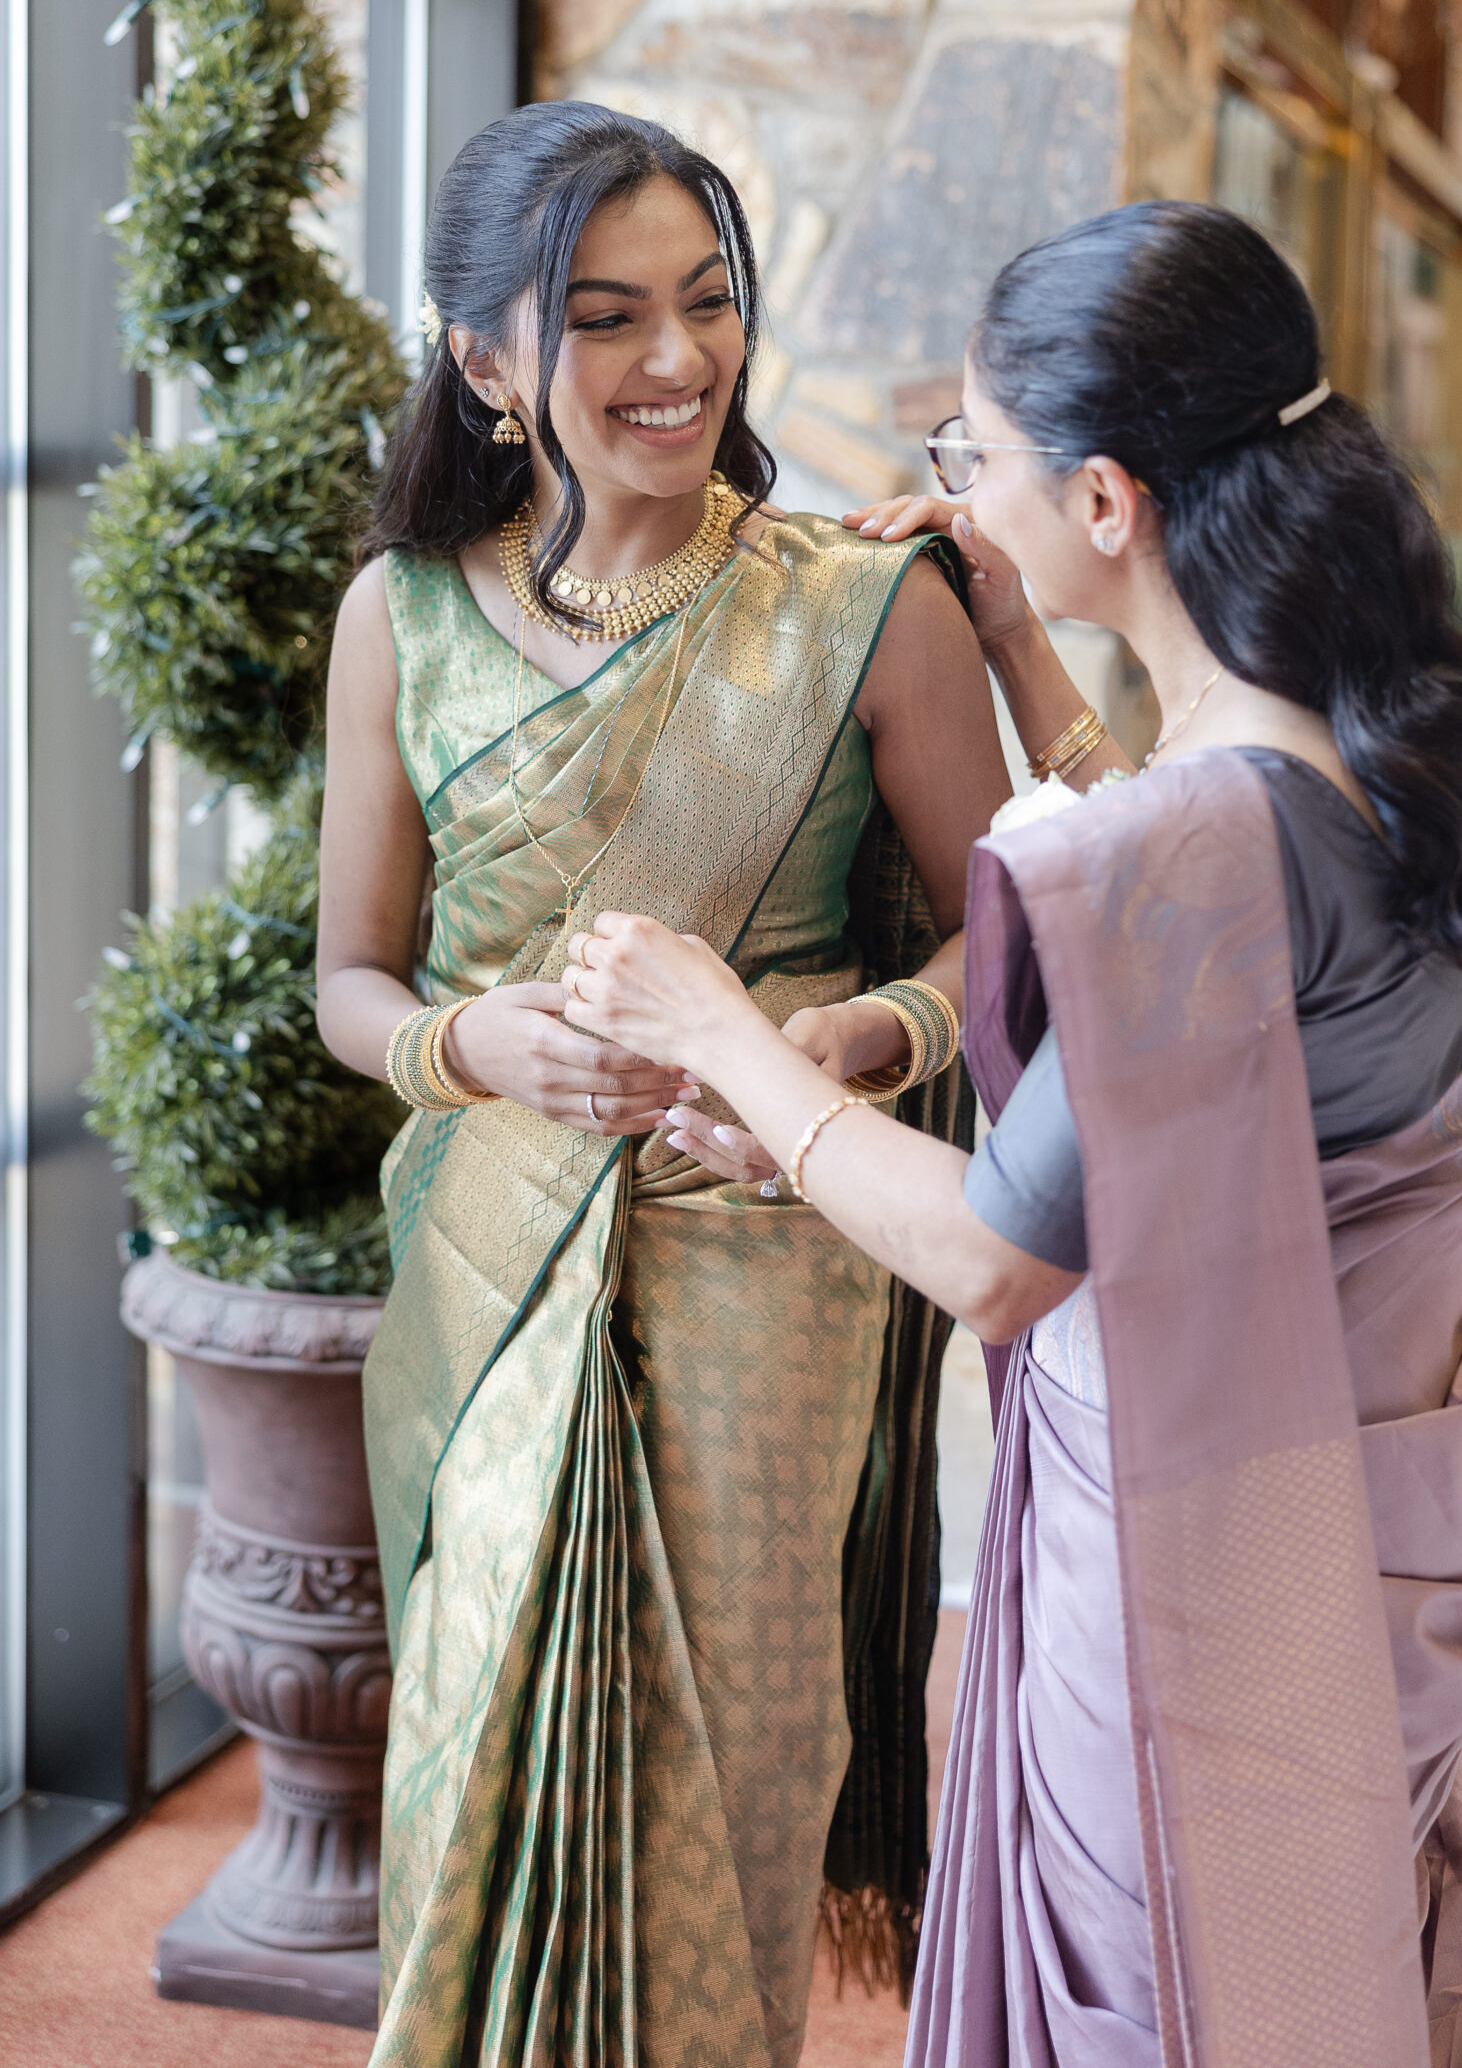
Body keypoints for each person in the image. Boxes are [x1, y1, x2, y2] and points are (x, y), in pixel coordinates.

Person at [568, 200, 1462, 2068]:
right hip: (1378, 1503)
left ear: (1107, 497)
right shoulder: (1376, 742)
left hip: (1217, 1562)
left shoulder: (1199, 846)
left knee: (1178, 1997)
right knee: (1295, 1961)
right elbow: (1215, 907)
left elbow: (997, 1259)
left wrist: (725, 1037)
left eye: (978, 452)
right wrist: (1026, 653)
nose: (962, 486)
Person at [315, 101, 1011, 2068]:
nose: (679, 358)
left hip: (761, 1261)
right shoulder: (403, 617)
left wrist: (863, 1040)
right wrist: (470, 1043)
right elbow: (350, 983)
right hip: (481, 1264)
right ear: (486, 362)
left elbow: (1013, 940)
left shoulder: (861, 607)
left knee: (727, 1794)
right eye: (606, 316)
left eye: (708, 300)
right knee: (470, 1763)